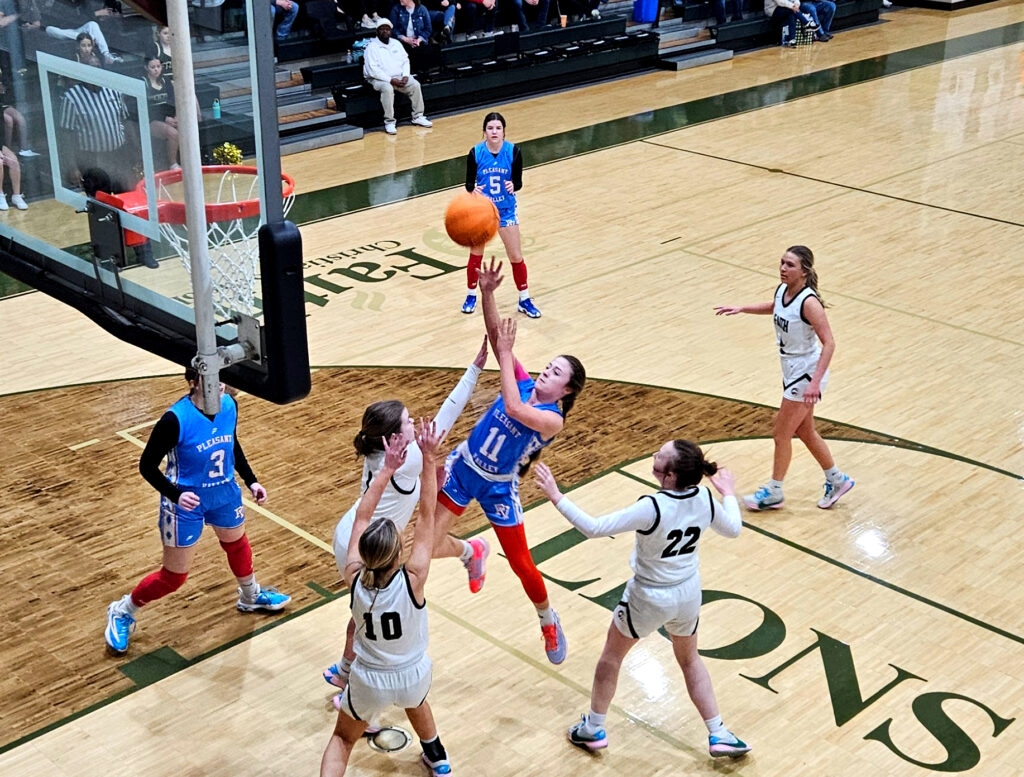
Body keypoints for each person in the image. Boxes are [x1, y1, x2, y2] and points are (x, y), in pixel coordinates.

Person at [533, 440, 752, 760]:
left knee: (611, 656)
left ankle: (593, 727)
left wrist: (556, 495)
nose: (653, 455)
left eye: (660, 455)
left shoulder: (653, 505)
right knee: (690, 660)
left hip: (648, 596)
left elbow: (594, 528)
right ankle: (719, 732)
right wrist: (729, 493)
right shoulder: (704, 495)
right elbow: (733, 529)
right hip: (688, 593)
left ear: (670, 475)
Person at [433, 259, 586, 664]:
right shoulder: (518, 378)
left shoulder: (552, 420)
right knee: (426, 545)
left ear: (565, 390)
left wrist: (504, 355)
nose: (546, 372)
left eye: (555, 373)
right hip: (464, 468)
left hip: (499, 486)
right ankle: (470, 552)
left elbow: (516, 409)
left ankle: (547, 619)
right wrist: (486, 292)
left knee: (522, 564)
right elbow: (495, 333)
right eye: (548, 366)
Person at [322, 338, 487, 691]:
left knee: (362, 610)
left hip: (351, 536)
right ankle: (357, 686)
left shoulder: (377, 450)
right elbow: (449, 414)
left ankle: (345, 671)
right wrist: (474, 371)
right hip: (367, 545)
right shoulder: (407, 459)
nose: (416, 423)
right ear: (395, 437)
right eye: (409, 421)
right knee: (370, 614)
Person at [103, 368, 291, 655]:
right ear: (193, 383)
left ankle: (250, 596)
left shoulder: (229, 404)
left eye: (221, 378)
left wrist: (251, 480)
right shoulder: (175, 419)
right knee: (174, 577)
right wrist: (176, 494)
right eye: (211, 380)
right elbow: (146, 465)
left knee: (237, 544)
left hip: (224, 492)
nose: (220, 385)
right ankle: (122, 610)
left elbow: (232, 443)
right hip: (185, 503)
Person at [319, 421, 453, 777]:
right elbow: (426, 515)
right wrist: (428, 459)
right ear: (398, 554)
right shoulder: (414, 578)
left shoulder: (353, 577)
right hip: (412, 674)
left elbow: (362, 515)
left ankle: (434, 753)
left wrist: (387, 469)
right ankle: (438, 759)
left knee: (343, 740)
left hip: (368, 679)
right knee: (417, 700)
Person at [714, 245, 854, 511]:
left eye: (789, 265)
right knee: (805, 430)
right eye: (782, 262)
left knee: (781, 433)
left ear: (804, 271)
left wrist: (814, 383)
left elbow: (830, 344)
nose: (782, 268)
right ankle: (837, 479)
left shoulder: (809, 302)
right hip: (792, 369)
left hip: (806, 373)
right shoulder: (782, 291)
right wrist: (742, 308)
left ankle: (774, 491)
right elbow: (775, 307)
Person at [461, 112, 541, 318]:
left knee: (516, 256)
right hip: (482, 212)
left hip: (505, 211)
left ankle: (524, 299)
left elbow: (519, 182)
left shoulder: (513, 151)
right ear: (484, 132)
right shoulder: (475, 153)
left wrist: (513, 184)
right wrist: (473, 190)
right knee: (476, 255)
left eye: (498, 128)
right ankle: (471, 295)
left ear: (504, 131)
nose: (494, 132)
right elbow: (469, 183)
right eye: (490, 128)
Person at [362, 17, 433, 135]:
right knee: (387, 88)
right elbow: (373, 70)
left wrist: (405, 75)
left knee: (415, 84)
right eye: (382, 29)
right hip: (377, 79)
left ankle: (418, 116)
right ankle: (389, 122)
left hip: (398, 76)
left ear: (390, 31)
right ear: (377, 31)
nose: (385, 31)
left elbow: (405, 61)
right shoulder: (371, 47)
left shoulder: (396, 43)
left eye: (387, 29)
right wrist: (390, 80)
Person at [144, 57, 180, 170]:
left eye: (158, 67)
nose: (156, 70)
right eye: (153, 67)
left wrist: (176, 116)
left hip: (169, 117)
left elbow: (173, 100)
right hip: (152, 120)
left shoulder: (166, 80)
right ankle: (173, 164)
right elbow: (146, 108)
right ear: (146, 68)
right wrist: (164, 119)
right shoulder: (143, 83)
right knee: (173, 133)